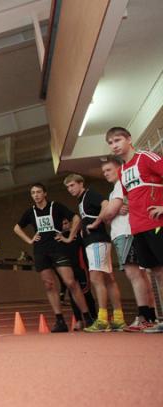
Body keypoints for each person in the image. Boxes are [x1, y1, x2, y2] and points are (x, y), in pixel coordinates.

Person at [13, 183, 94, 332]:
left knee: (70, 282)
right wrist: (29, 240)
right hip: (40, 250)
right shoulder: (30, 212)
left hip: (57, 249)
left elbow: (76, 218)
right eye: (33, 193)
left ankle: (87, 317)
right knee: (48, 284)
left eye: (38, 192)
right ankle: (60, 320)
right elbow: (17, 227)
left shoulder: (56, 206)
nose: (36, 195)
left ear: (45, 193)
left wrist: (70, 237)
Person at [104, 127, 163, 333]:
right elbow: (133, 198)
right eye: (110, 143)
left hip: (156, 224)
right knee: (155, 272)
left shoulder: (146, 157)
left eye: (118, 140)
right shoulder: (121, 171)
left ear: (129, 139)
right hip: (136, 228)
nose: (114, 145)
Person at [94, 157, 158, 331]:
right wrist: (110, 212)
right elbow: (108, 215)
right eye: (104, 172)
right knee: (141, 276)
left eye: (109, 170)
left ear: (119, 169)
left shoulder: (121, 184)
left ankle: (145, 317)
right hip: (126, 232)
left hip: (127, 232)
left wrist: (109, 212)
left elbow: (107, 215)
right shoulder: (116, 189)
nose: (106, 174)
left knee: (135, 274)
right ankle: (150, 316)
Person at [64, 173, 125, 332]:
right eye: (67, 187)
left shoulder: (89, 194)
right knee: (108, 278)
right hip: (96, 241)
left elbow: (106, 204)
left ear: (80, 183)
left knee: (97, 279)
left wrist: (96, 223)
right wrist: (82, 229)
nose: (70, 189)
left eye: (72, 185)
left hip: (97, 241)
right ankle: (118, 318)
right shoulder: (81, 200)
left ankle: (103, 319)